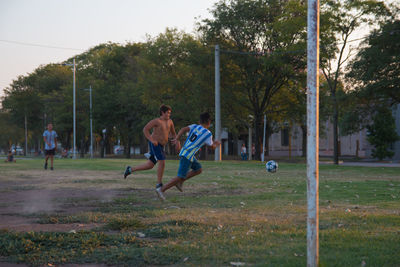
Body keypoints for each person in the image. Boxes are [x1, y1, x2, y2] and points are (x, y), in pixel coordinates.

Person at [156, 112, 221, 201]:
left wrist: (177, 138)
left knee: (198, 169)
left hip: (185, 152)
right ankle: (162, 189)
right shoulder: (208, 133)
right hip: (188, 155)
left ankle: (180, 183)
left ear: (199, 121)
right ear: (209, 122)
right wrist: (216, 144)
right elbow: (211, 147)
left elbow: (183, 129)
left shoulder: (195, 126)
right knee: (180, 176)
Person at [124, 104, 178, 190]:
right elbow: (145, 129)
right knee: (162, 162)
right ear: (162, 112)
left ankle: (130, 169)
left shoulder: (170, 122)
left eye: (170, 113)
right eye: (168, 113)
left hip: (161, 145)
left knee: (150, 165)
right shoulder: (157, 121)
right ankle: (159, 184)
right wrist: (152, 140)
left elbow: (173, 133)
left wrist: (176, 141)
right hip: (155, 144)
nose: (169, 114)